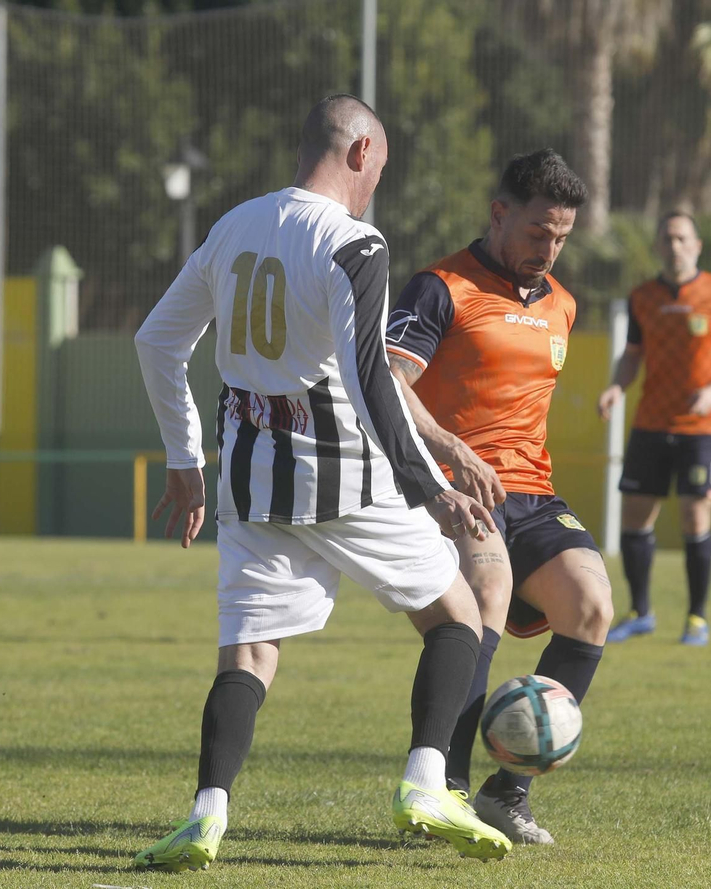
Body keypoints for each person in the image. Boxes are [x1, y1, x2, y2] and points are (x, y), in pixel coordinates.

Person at [132, 94, 512, 872]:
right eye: (381, 168)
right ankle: (426, 784)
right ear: (362, 152)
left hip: (249, 478)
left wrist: (185, 458)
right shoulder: (352, 242)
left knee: (248, 656)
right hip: (344, 474)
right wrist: (430, 483)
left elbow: (157, 340)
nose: (377, 185)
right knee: (457, 618)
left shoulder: (234, 225)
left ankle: (207, 813)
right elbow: (372, 380)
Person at [386, 148, 612, 846]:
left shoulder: (563, 305)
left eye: (562, 237)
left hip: (533, 493)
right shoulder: (441, 286)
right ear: (499, 213)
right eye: (538, 231)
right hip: (452, 487)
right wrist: (450, 452)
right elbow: (389, 380)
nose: (548, 248)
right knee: (484, 594)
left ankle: (506, 791)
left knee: (594, 605)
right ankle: (441, 787)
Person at [596, 211, 711, 646]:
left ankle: (697, 618)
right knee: (635, 518)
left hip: (701, 428)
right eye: (667, 238)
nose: (675, 246)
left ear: (698, 245)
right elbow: (632, 355)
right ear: (658, 246)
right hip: (650, 423)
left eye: (683, 238)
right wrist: (616, 387)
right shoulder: (643, 297)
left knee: (693, 515)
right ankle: (640, 611)